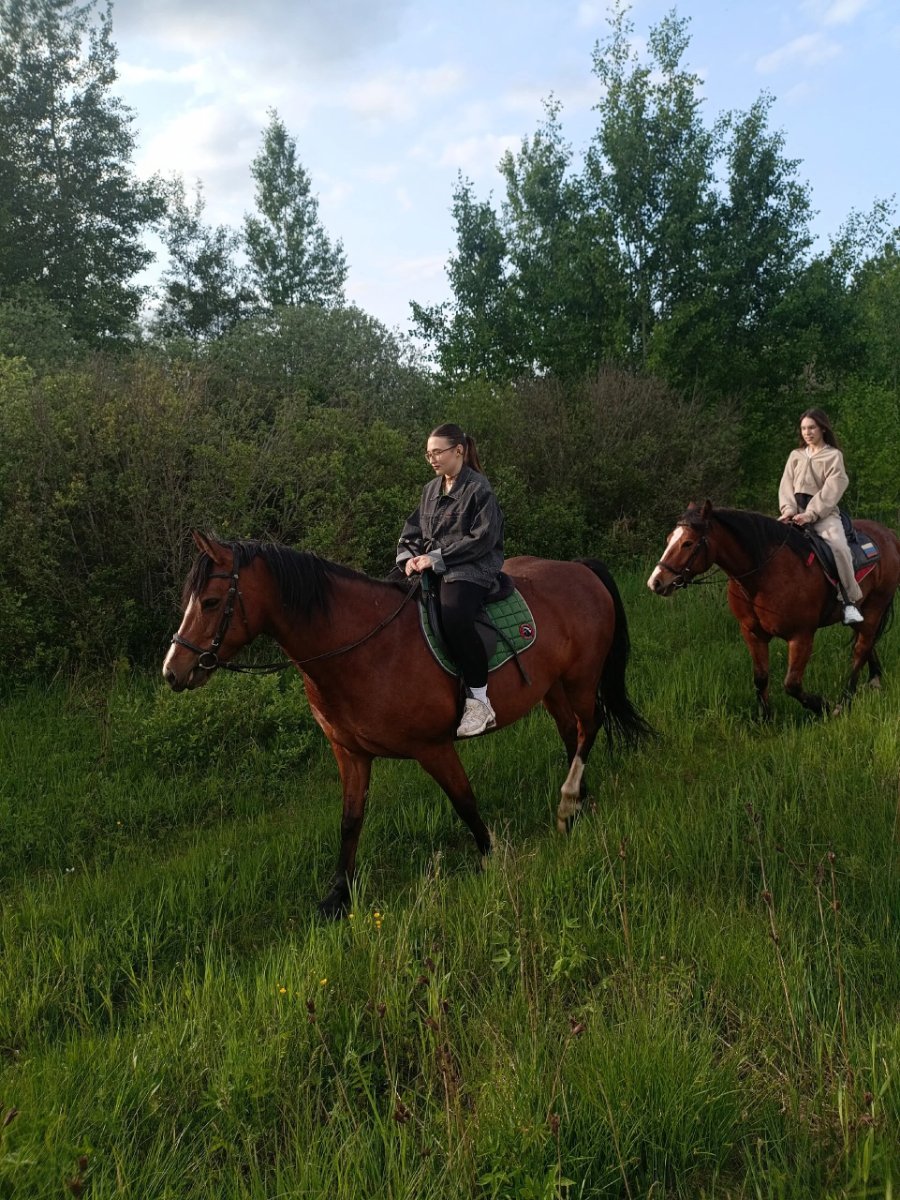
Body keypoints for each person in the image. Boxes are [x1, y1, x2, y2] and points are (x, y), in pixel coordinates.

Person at [397, 423, 505, 737]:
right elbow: (411, 532)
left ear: (458, 451)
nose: (432, 459)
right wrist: (409, 559)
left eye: (437, 452)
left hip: (472, 566)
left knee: (455, 614)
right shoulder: (430, 490)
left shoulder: (479, 489)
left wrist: (436, 558)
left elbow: (483, 539)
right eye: (428, 454)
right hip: (433, 564)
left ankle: (479, 702)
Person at [778, 408, 864, 624]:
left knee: (839, 548)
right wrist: (788, 509)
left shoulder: (833, 456)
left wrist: (811, 514)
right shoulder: (796, 455)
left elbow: (832, 489)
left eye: (812, 428)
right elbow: (786, 484)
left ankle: (849, 602)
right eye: (803, 429)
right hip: (794, 512)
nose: (807, 432)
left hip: (824, 514)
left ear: (823, 429)